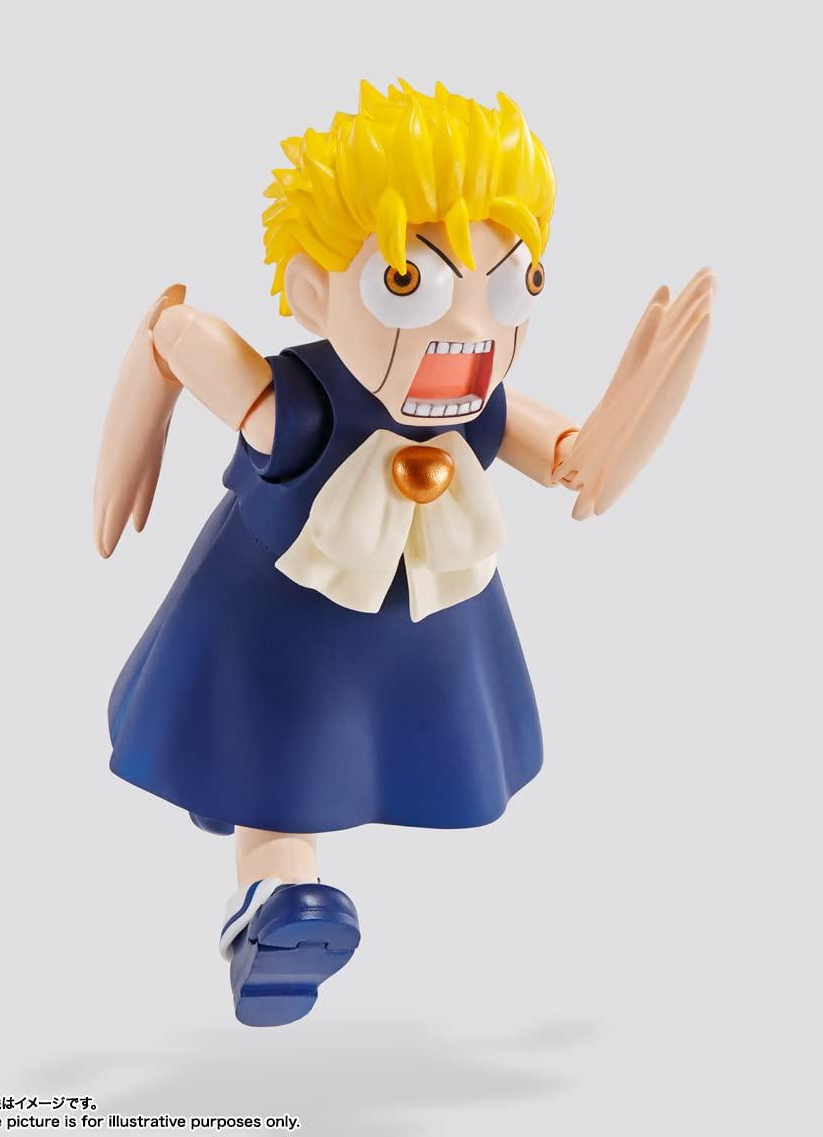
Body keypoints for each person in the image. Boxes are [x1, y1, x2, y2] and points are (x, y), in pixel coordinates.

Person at [94, 80, 715, 1027]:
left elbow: (580, 470)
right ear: (314, 290)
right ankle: (273, 905)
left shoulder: (478, 407)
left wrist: (640, 406)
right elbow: (177, 336)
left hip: (421, 627)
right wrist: (136, 425)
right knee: (273, 767)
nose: (469, 330)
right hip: (279, 626)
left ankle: (279, 891)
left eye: (510, 286)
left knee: (347, 751)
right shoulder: (296, 407)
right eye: (407, 283)